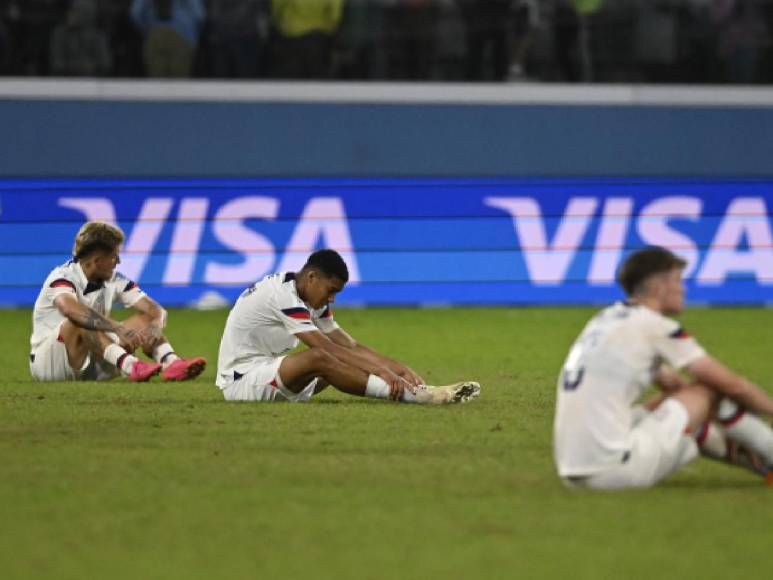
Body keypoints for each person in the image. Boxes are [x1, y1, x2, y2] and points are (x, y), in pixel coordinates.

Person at [554, 246, 773, 490]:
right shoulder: (655, 326)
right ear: (659, 288)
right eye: (678, 281)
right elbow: (734, 386)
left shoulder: (606, 320)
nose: (684, 289)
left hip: (572, 471)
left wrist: (717, 420)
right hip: (615, 471)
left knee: (677, 403)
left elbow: (674, 387)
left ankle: (765, 466)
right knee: (709, 390)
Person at [216, 249, 480, 404]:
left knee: (344, 359)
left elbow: (348, 344)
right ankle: (418, 397)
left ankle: (416, 389)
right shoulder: (281, 295)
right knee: (321, 357)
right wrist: (380, 371)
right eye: (330, 290)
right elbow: (323, 346)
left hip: (275, 372)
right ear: (311, 278)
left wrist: (398, 368)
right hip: (243, 380)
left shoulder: (307, 295)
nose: (332, 299)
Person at [30, 221, 206, 383]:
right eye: (114, 256)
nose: (119, 261)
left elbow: (154, 309)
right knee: (81, 319)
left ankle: (172, 363)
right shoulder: (62, 277)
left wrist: (155, 325)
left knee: (143, 320)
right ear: (97, 261)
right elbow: (71, 310)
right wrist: (116, 327)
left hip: (92, 361)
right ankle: (131, 366)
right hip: (51, 365)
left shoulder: (115, 280)